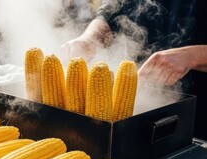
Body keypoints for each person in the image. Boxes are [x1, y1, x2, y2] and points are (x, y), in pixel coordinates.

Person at [61, 0, 207, 140]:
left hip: (198, 123)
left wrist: (192, 56)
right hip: (140, 113)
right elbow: (111, 12)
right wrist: (89, 38)